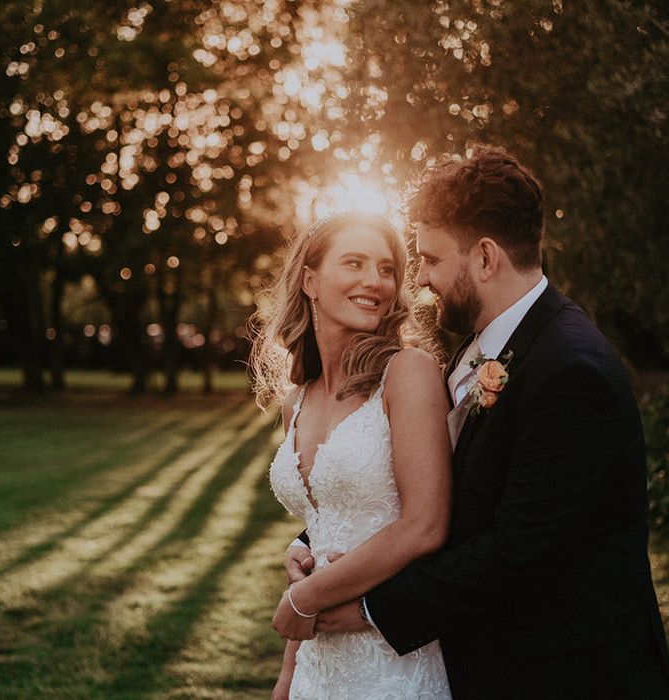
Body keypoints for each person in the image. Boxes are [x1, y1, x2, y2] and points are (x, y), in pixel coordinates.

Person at [286, 146, 669, 699]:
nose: (418, 281)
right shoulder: (478, 350)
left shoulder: (570, 370)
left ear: (485, 258)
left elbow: (518, 552)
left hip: (567, 673)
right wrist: (314, 542)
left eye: (432, 260)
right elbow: (425, 483)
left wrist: (368, 609)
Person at [250, 211, 453, 698]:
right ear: (310, 280)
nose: (374, 282)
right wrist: (286, 677)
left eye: (387, 269)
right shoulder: (297, 400)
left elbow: (425, 525)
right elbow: (323, 537)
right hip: (317, 667)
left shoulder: (408, 373)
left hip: (393, 663)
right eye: (355, 263)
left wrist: (304, 597)